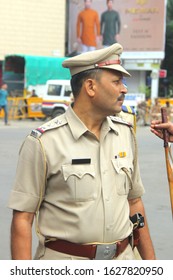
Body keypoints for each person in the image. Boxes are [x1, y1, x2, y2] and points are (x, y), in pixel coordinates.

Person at [8, 43, 155, 260]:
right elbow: (23, 218)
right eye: (116, 81)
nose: (124, 88)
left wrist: (151, 266)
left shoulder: (124, 134)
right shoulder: (44, 142)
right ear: (90, 87)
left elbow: (134, 203)